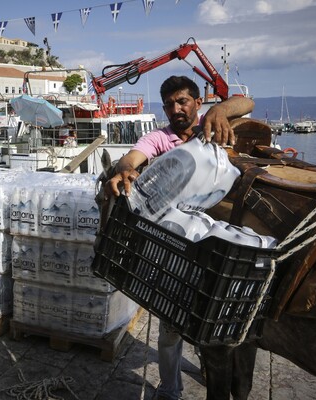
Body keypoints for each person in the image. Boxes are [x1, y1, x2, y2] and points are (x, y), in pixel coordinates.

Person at [105, 75, 254, 400]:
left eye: (183, 101)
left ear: (198, 103)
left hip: (218, 242)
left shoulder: (213, 125)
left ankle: (206, 360)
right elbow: (133, 156)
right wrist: (127, 168)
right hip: (179, 247)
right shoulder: (161, 138)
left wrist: (222, 110)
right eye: (170, 104)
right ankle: (170, 389)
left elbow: (248, 102)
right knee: (170, 329)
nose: (176, 109)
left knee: (211, 321)